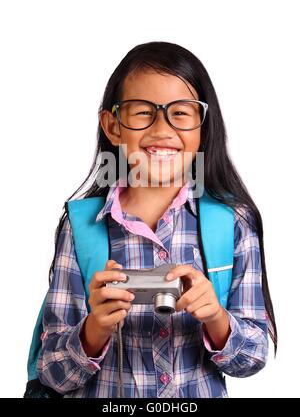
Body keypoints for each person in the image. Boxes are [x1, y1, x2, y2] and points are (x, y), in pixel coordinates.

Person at [36, 41, 277, 398]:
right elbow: (52, 374)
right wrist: (93, 330)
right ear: (112, 125)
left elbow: (253, 358)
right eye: (142, 112)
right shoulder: (81, 226)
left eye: (181, 112)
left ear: (202, 128)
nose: (162, 128)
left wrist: (217, 319)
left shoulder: (231, 223)